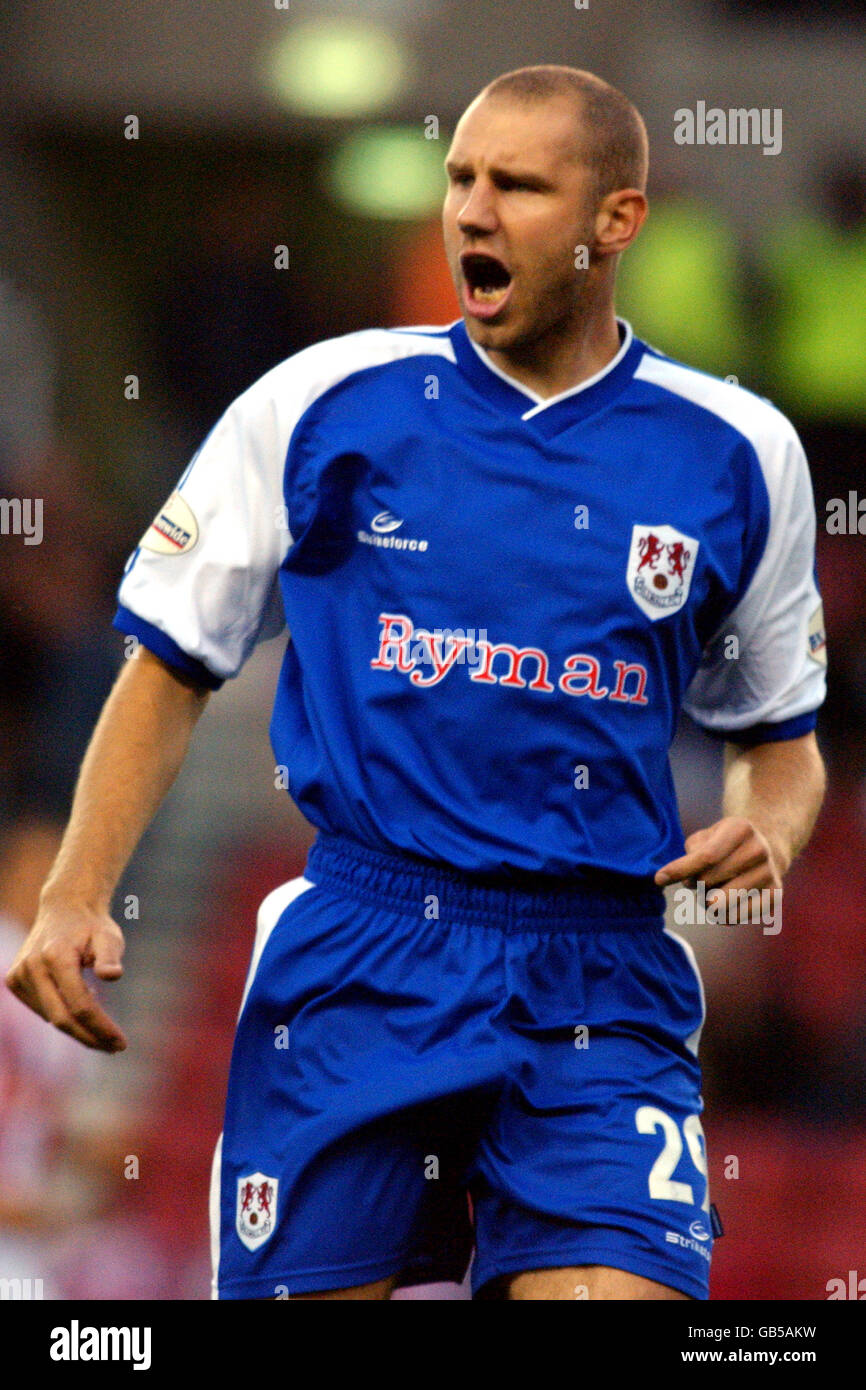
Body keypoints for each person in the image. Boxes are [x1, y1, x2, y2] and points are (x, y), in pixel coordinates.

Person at [5, 65, 826, 1302]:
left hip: (599, 976)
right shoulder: (322, 402)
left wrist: (768, 819)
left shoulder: (737, 451)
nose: (471, 211)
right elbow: (168, 661)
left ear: (616, 220)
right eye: (460, 179)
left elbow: (781, 735)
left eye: (518, 185)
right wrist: (76, 889)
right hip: (361, 960)